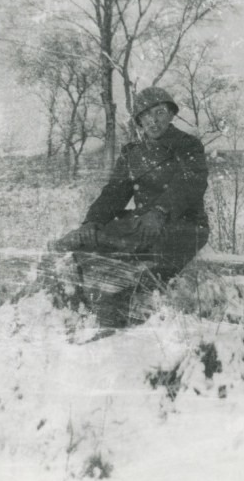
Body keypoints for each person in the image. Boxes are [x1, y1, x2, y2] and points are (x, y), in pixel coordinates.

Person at [51, 87, 209, 320]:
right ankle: (76, 306)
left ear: (171, 114)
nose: (153, 121)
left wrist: (161, 210)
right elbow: (115, 192)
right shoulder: (132, 152)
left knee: (144, 272)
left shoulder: (188, 145)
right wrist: (92, 221)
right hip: (142, 225)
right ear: (138, 121)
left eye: (160, 112)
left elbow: (189, 184)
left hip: (184, 225)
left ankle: (116, 312)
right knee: (87, 246)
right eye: (146, 115)